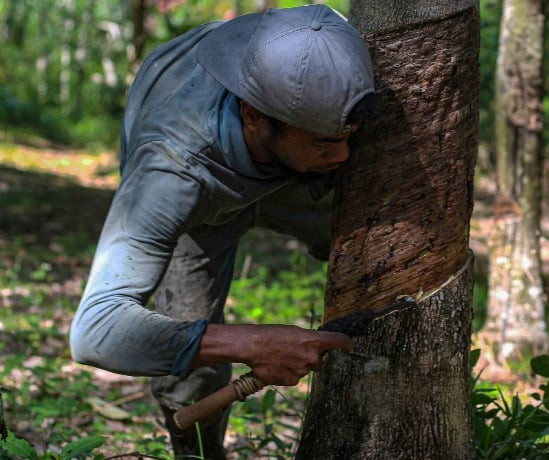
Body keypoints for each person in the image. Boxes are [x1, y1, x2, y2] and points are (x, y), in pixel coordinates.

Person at [69, 5, 375, 458]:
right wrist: (255, 343)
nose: (345, 156)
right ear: (254, 115)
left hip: (292, 174)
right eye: (326, 142)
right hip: (204, 205)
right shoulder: (171, 172)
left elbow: (333, 143)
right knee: (194, 378)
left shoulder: (334, 70)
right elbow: (96, 331)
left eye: (350, 137)